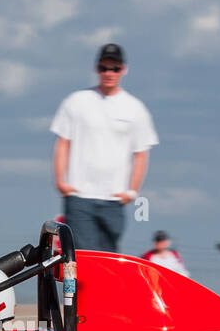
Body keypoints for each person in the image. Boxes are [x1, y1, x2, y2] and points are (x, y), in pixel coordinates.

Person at [50, 43, 158, 252]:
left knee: (108, 258)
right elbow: (63, 143)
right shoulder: (76, 101)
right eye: (104, 68)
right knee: (83, 256)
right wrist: (61, 181)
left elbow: (141, 153)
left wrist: (132, 190)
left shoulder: (135, 108)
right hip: (80, 196)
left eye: (115, 68)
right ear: (97, 69)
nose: (109, 73)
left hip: (113, 200)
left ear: (123, 70)